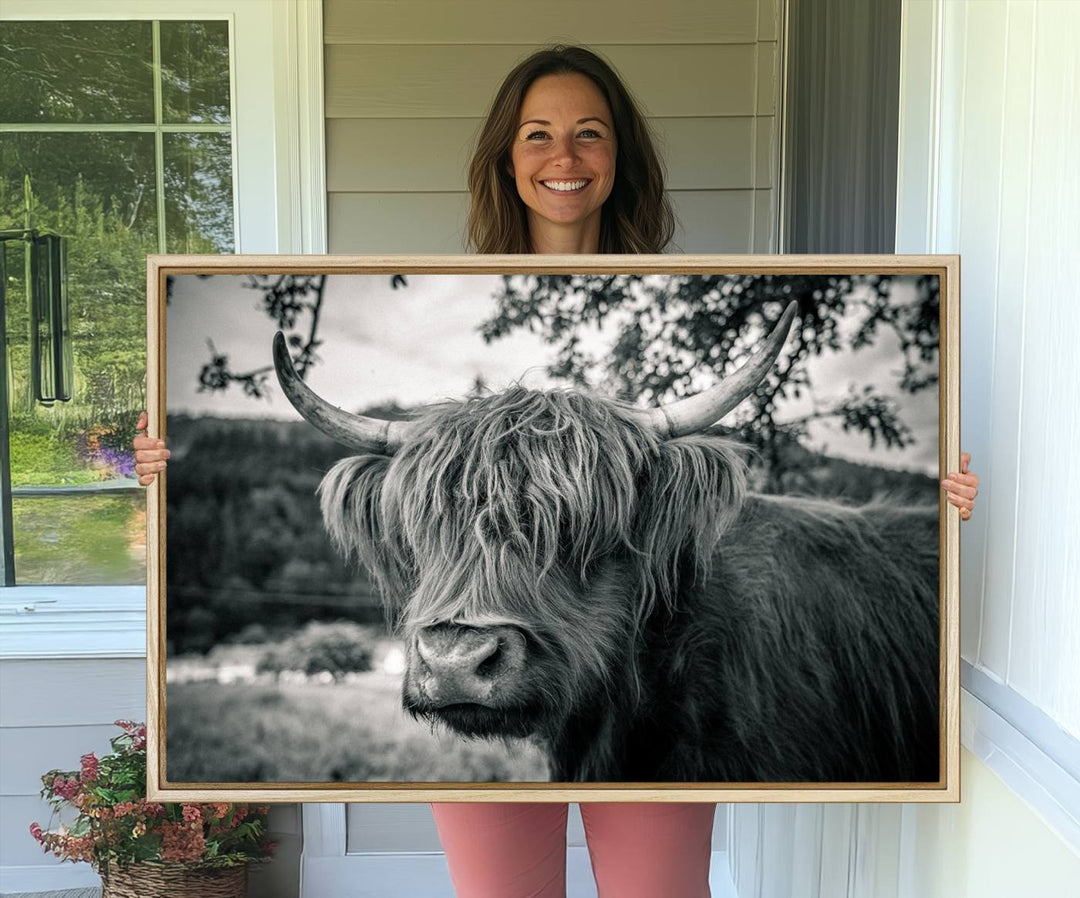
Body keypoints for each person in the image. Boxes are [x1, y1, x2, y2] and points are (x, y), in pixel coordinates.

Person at [135, 45, 980, 898]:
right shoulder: (428, 272)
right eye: (537, 135)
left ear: (621, 158)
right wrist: (158, 465)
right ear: (506, 157)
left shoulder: (700, 284)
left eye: (590, 135)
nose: (563, 158)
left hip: (649, 711)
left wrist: (947, 506)